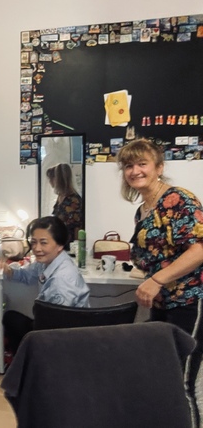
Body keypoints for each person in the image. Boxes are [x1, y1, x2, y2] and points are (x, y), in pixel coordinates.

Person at [117, 138, 203, 426]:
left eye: (142, 163)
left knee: (182, 381)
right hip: (163, 303)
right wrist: (152, 282)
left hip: (190, 300)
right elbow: (155, 256)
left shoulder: (178, 199)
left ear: (159, 167)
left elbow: (199, 250)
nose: (135, 171)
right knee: (163, 377)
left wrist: (156, 280)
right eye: (129, 166)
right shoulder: (143, 208)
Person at [0, 216, 90, 354]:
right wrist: (9, 270)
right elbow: (28, 275)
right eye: (33, 242)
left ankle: (30, 362)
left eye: (43, 243)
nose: (36, 248)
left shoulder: (61, 281)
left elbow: (55, 328)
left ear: (60, 245)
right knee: (11, 318)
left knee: (13, 321)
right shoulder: (49, 261)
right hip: (51, 325)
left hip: (62, 339)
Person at [46, 163, 83, 246]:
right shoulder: (60, 196)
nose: (50, 182)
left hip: (69, 243)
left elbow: (77, 226)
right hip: (59, 241)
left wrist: (76, 246)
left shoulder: (73, 200)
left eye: (51, 179)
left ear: (57, 179)